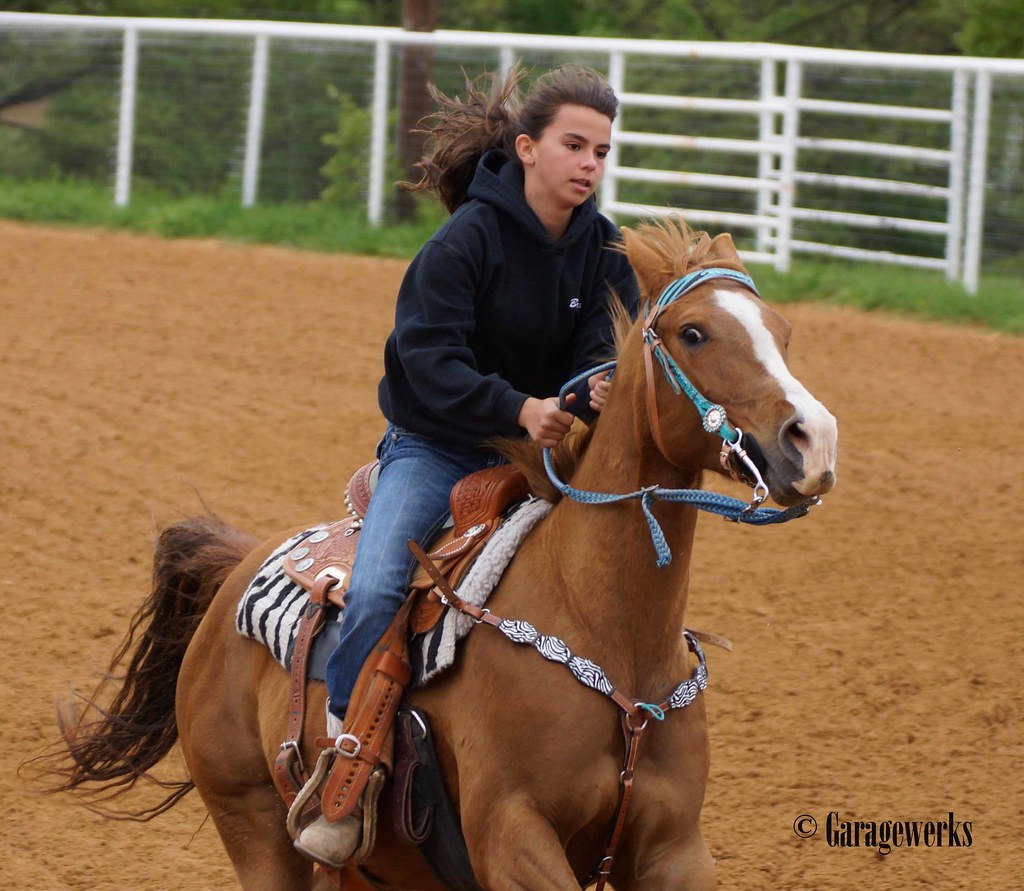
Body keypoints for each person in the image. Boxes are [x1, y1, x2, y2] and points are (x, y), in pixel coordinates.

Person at [295, 62, 640, 868]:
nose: (589, 164)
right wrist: (517, 407)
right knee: (381, 583)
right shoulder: (463, 243)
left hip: (543, 446)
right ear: (527, 148)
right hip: (435, 445)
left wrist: (582, 397)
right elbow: (426, 359)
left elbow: (605, 352)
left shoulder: (604, 249)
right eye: (574, 145)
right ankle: (348, 755)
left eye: (602, 150)